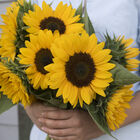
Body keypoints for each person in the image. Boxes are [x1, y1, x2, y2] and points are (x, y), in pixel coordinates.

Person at [25, 0, 140, 140]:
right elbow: (18, 56)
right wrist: (31, 108)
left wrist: (99, 124)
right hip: (45, 133)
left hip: (120, 133)